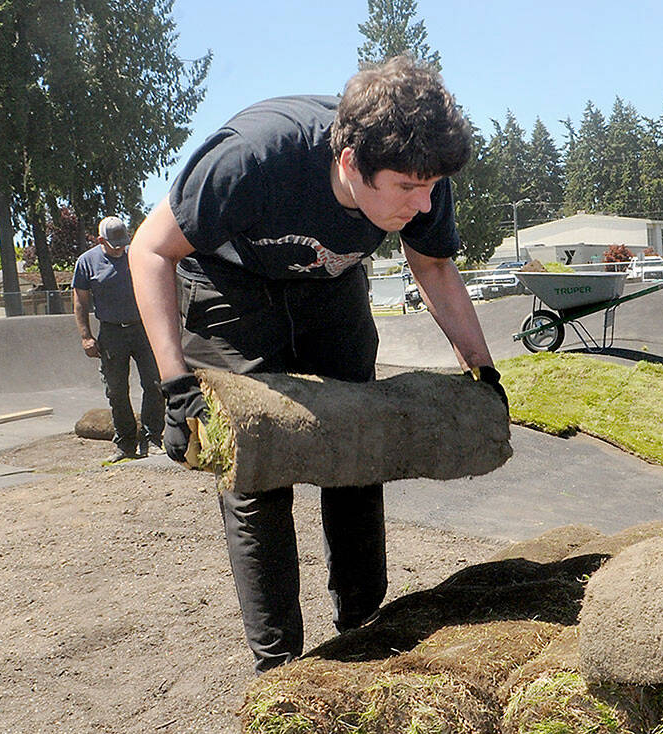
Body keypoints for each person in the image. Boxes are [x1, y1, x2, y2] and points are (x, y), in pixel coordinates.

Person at [127, 56, 504, 674]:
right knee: (258, 469)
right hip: (231, 287)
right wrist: (174, 384)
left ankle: (364, 625)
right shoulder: (252, 157)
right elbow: (149, 250)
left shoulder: (420, 172)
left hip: (331, 286)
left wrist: (483, 373)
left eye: (431, 185)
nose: (424, 201)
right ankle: (279, 670)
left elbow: (433, 267)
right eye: (408, 187)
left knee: (356, 440)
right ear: (352, 162)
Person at [72, 216, 165, 464]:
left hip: (143, 329)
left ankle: (152, 439)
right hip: (111, 333)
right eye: (115, 244)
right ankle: (125, 444)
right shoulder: (86, 262)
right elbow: (80, 301)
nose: (120, 248)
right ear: (100, 240)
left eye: (124, 243)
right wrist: (85, 337)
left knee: (154, 384)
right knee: (116, 390)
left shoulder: (136, 255)